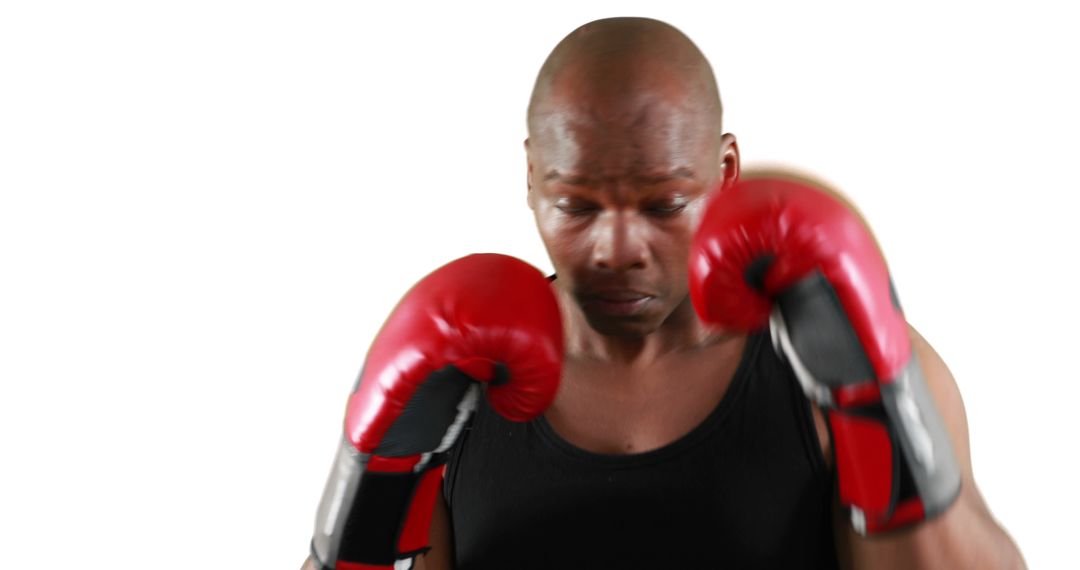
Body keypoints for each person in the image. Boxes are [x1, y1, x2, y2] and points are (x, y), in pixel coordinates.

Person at [302, 17, 1025, 569]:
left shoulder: (836, 362)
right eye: (578, 206)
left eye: (663, 205)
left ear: (727, 172)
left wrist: (880, 402)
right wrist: (371, 475)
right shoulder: (452, 378)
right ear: (531, 178)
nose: (618, 251)